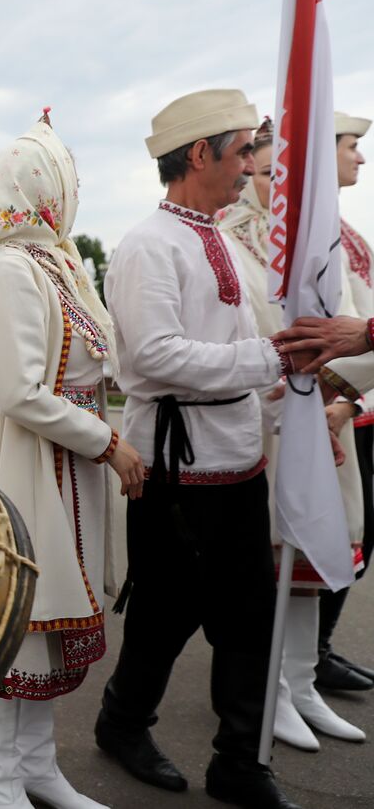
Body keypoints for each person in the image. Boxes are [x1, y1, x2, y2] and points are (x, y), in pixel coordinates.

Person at [95, 89, 299, 809]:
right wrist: (269, 362)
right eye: (242, 149)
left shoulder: (215, 234)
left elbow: (231, 346)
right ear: (199, 154)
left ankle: (239, 761)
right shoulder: (148, 244)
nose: (252, 164)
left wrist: (276, 393)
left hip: (236, 456)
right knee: (162, 616)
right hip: (176, 468)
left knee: (249, 618)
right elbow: (153, 358)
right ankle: (121, 721)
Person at [0, 112, 145, 809]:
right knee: (21, 631)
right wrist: (108, 440)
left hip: (63, 470)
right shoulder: (9, 268)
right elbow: (19, 391)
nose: (75, 190)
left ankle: (36, 767)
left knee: (50, 633)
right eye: (67, 176)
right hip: (29, 470)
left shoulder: (56, 259)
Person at [215, 117, 367, 751]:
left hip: (318, 407)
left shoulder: (319, 241)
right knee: (273, 560)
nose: (278, 185)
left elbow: (354, 320)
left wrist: (344, 394)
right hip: (265, 414)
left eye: (289, 175)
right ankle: (271, 690)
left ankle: (302, 685)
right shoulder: (228, 238)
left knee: (312, 556)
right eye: (268, 171)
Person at [315, 111, 374, 694]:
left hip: (353, 401)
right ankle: (299, 663)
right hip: (326, 404)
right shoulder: (303, 232)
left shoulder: (346, 233)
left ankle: (310, 661)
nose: (360, 158)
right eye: (352, 145)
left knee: (356, 534)